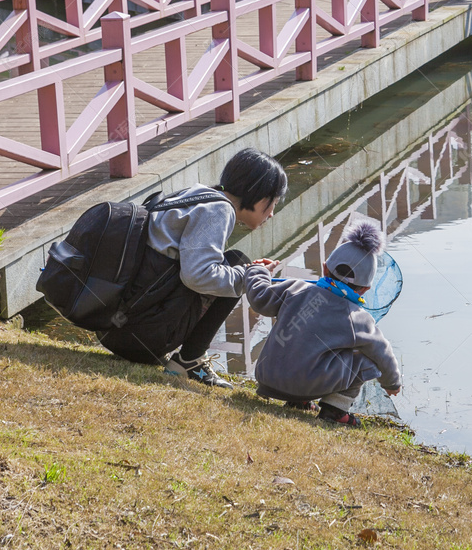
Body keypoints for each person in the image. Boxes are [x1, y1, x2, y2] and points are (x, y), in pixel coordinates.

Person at [98, 147, 288, 389]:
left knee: (236, 266)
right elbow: (197, 276)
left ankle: (186, 358)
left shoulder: (197, 195)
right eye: (274, 203)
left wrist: (244, 273)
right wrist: (249, 275)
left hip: (114, 328)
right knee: (239, 263)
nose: (271, 214)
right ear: (261, 197)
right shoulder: (218, 210)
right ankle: (190, 360)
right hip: (136, 338)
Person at [245, 221, 402, 426]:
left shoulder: (295, 289)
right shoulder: (358, 318)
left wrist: (258, 271)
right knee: (367, 360)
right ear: (365, 289)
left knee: (301, 339)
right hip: (305, 384)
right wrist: (392, 383)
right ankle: (335, 411)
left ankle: (298, 402)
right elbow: (384, 352)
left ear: (325, 268)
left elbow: (259, 297)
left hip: (268, 377)